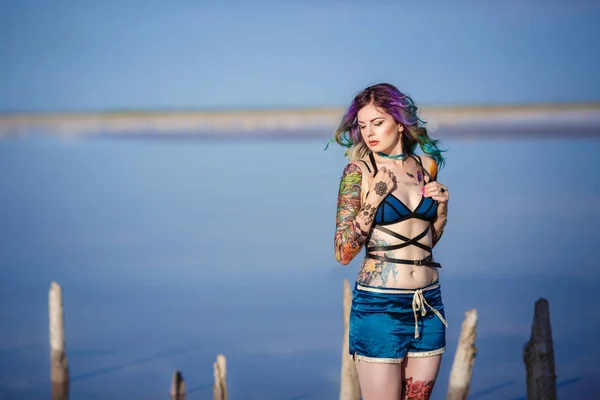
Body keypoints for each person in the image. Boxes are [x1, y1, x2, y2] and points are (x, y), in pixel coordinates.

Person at [331, 83, 450, 400]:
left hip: (428, 305)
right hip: (379, 309)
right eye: (363, 124)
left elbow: (427, 243)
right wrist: (373, 201)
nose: (369, 132)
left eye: (378, 122)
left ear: (399, 122)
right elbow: (343, 251)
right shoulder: (359, 171)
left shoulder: (426, 167)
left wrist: (442, 208)